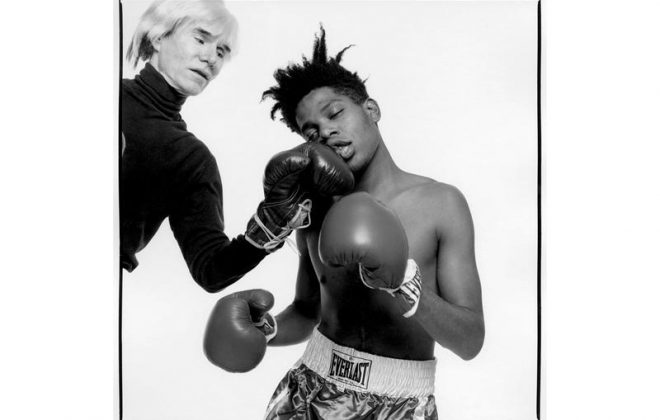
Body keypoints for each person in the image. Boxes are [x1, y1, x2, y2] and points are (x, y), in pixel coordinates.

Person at [203, 26, 485, 419]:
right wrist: (265, 330)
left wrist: (406, 285)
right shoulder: (315, 209)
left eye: (335, 113)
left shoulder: (441, 203)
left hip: (400, 405)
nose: (327, 132)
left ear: (371, 110)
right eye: (312, 132)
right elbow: (307, 311)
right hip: (308, 391)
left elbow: (470, 341)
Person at [121, 1, 354, 292]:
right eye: (201, 39)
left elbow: (210, 269)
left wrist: (271, 222)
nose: (210, 58)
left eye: (221, 51)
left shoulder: (192, 158)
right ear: (158, 37)